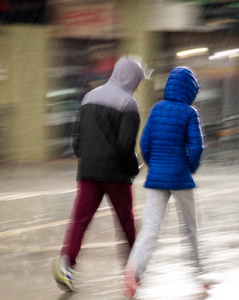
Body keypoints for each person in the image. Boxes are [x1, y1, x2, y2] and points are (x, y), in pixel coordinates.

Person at [53, 55, 149, 292]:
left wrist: (87, 157)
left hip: (88, 171)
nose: (138, 85)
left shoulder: (89, 97)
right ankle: (133, 270)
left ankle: (66, 263)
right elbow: (125, 145)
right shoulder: (130, 104)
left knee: (80, 221)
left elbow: (77, 141)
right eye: (139, 80)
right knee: (126, 224)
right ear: (133, 79)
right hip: (115, 175)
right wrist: (133, 168)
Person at [123, 66, 205, 298]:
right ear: (189, 90)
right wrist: (189, 167)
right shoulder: (190, 113)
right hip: (180, 178)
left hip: (156, 179)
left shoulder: (157, 110)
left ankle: (133, 272)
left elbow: (144, 144)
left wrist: (153, 165)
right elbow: (197, 148)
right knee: (190, 229)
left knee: (150, 229)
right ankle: (199, 276)